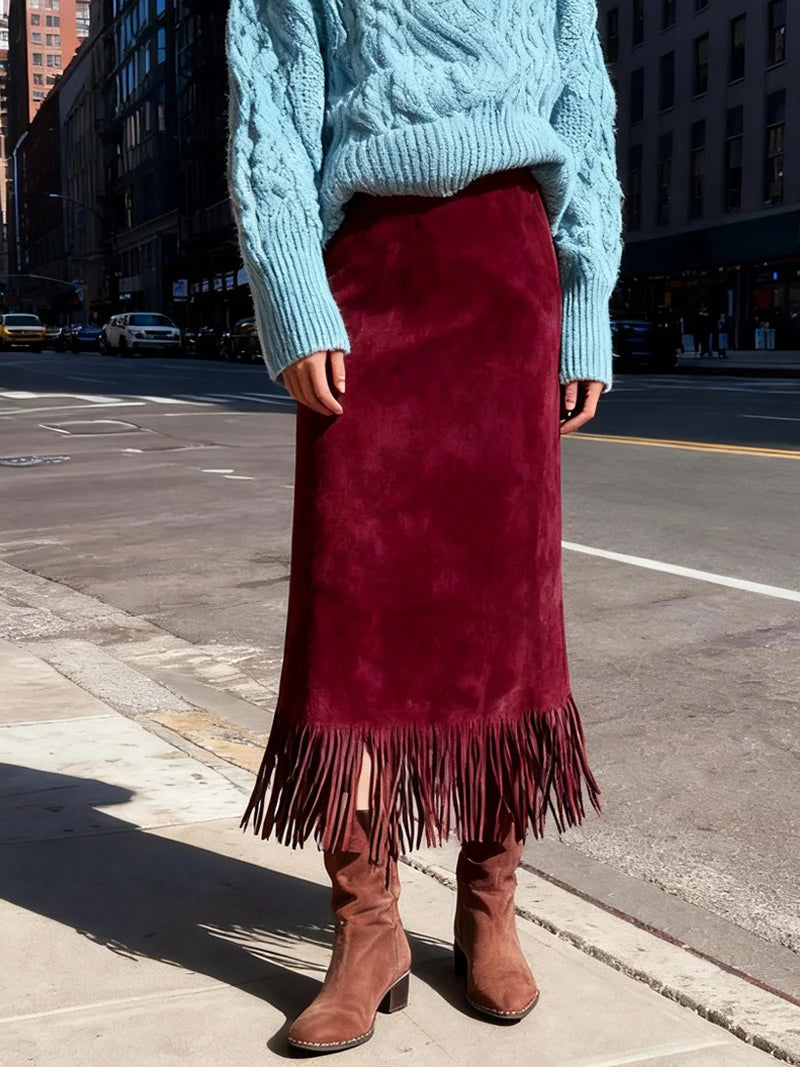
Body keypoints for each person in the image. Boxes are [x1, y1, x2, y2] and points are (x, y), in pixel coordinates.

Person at [225, 0, 622, 1053]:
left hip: (506, 267)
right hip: (368, 271)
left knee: (507, 608)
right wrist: (292, 294)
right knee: (353, 607)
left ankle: (487, 902)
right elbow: (268, 102)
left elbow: (582, 107)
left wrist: (584, 299)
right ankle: (367, 926)